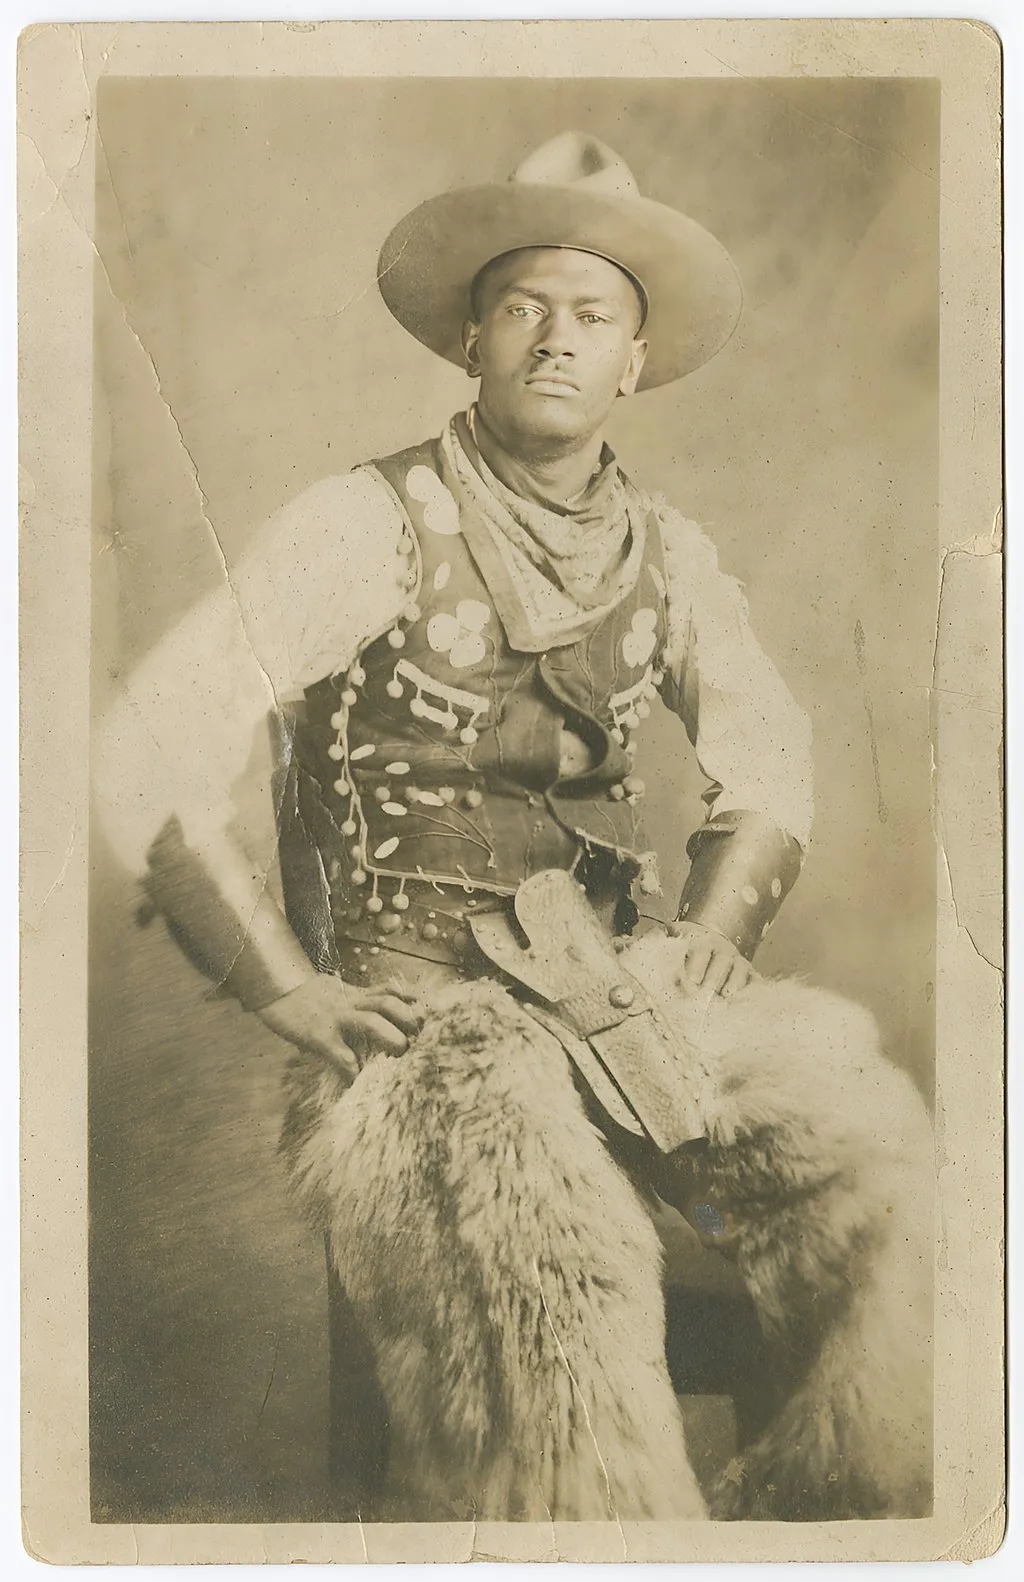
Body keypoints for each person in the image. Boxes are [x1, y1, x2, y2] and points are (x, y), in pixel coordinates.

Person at [96, 132, 932, 1524]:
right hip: (423, 1036)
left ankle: (809, 1533)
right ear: (472, 339)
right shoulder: (363, 524)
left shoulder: (664, 553)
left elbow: (772, 753)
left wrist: (714, 935)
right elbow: (147, 747)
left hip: (617, 1009)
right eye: (526, 307)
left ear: (634, 360)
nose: (556, 339)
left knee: (883, 1158)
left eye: (591, 314)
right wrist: (289, 990)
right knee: (553, 1278)